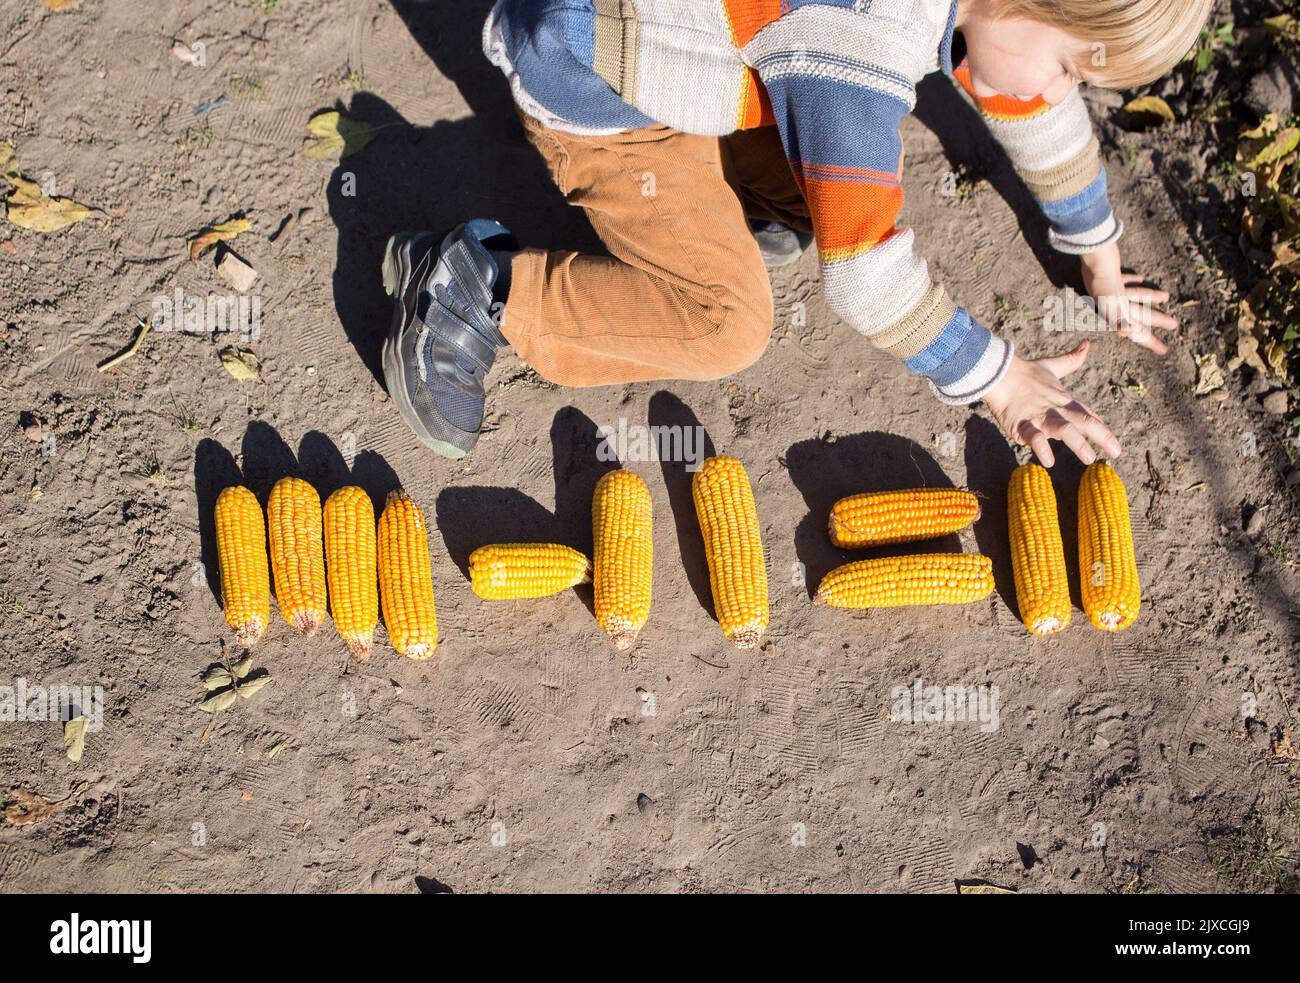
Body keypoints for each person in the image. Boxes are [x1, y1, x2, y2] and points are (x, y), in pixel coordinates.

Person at [380, 0, 1208, 463]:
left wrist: (1098, 258)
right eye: (1071, 64)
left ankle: (752, 198)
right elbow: (868, 277)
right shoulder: (866, 39)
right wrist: (1001, 380)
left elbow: (1035, 107)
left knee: (832, 172)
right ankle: (477, 286)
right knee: (727, 324)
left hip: (698, 32)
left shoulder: (976, 15)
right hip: (602, 82)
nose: (1061, 87)